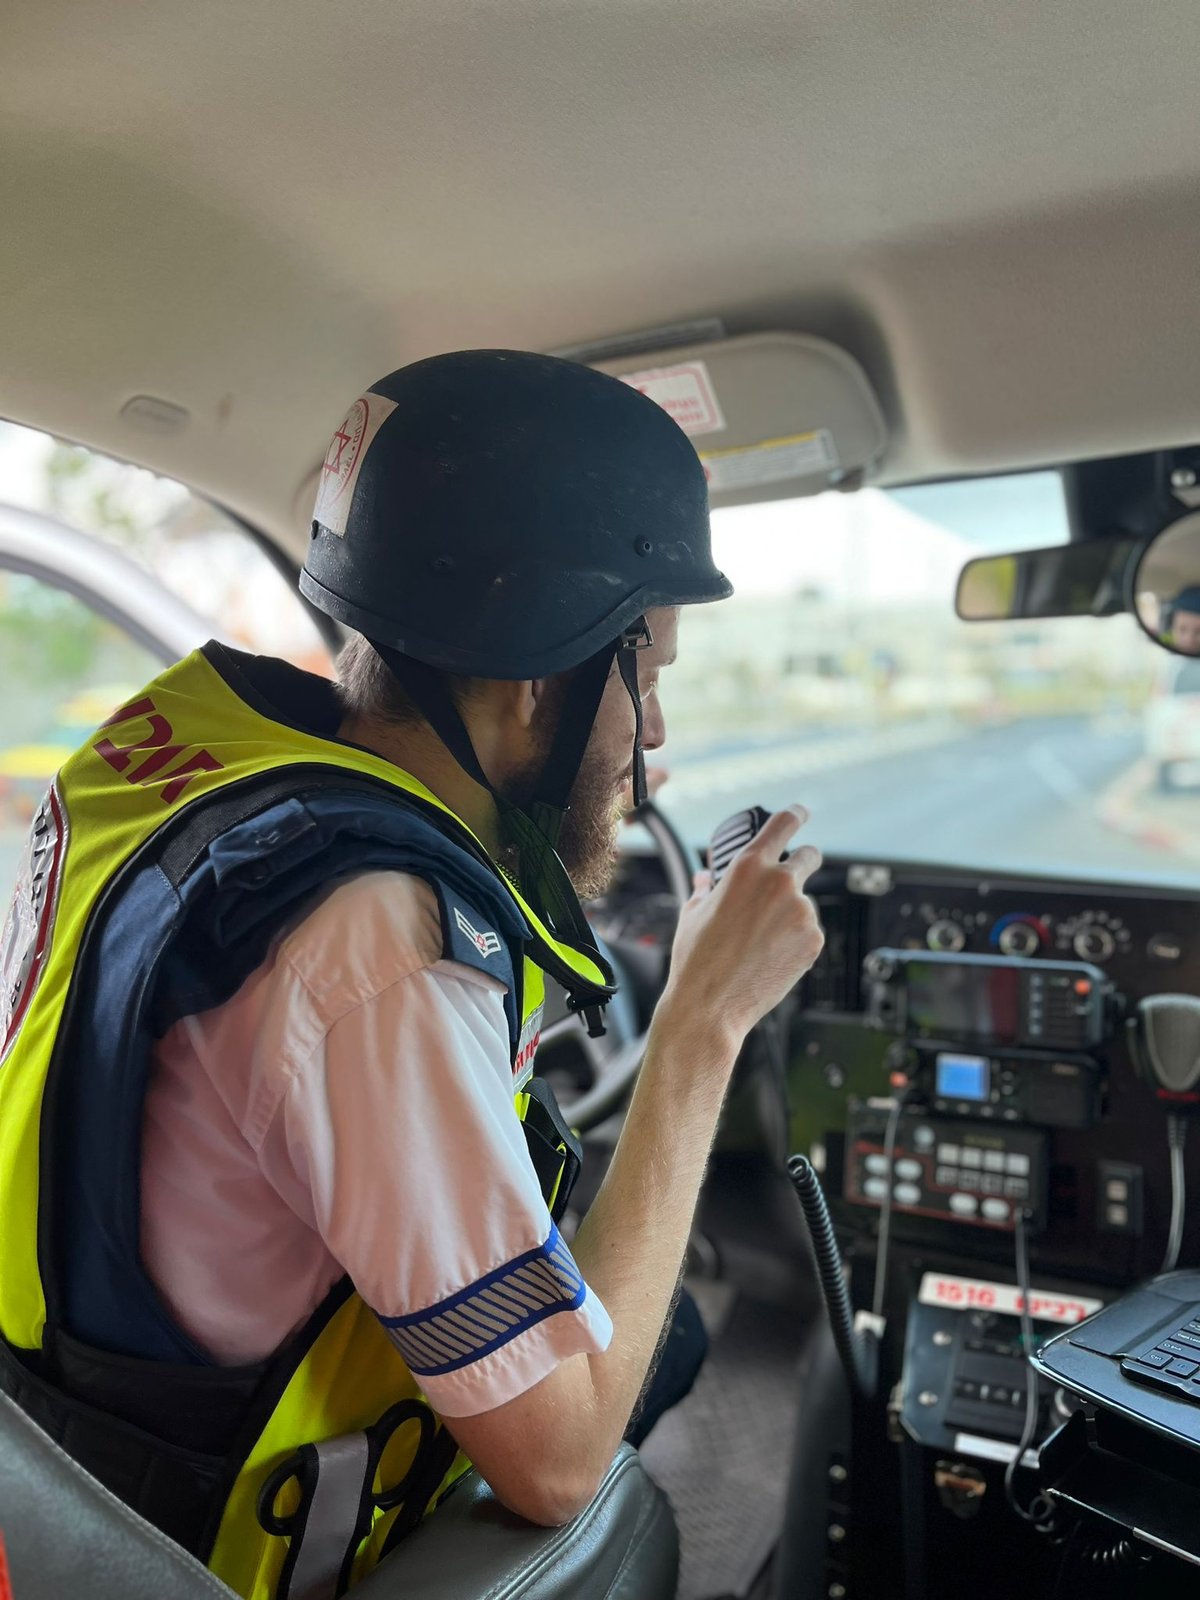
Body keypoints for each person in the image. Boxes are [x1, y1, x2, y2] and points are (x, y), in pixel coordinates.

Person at [0, 351, 824, 1600]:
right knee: (670, 1345)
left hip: (67, 1442)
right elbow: (555, 1458)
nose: (652, 732)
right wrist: (703, 1024)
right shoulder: (378, 948)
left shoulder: (180, 765)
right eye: (644, 675)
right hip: (220, 1526)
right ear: (540, 676)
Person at [1160, 585, 1200, 653]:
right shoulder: (1162, 644)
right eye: (1182, 629)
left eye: (1199, 631)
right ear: (1171, 626)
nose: (1189, 640)